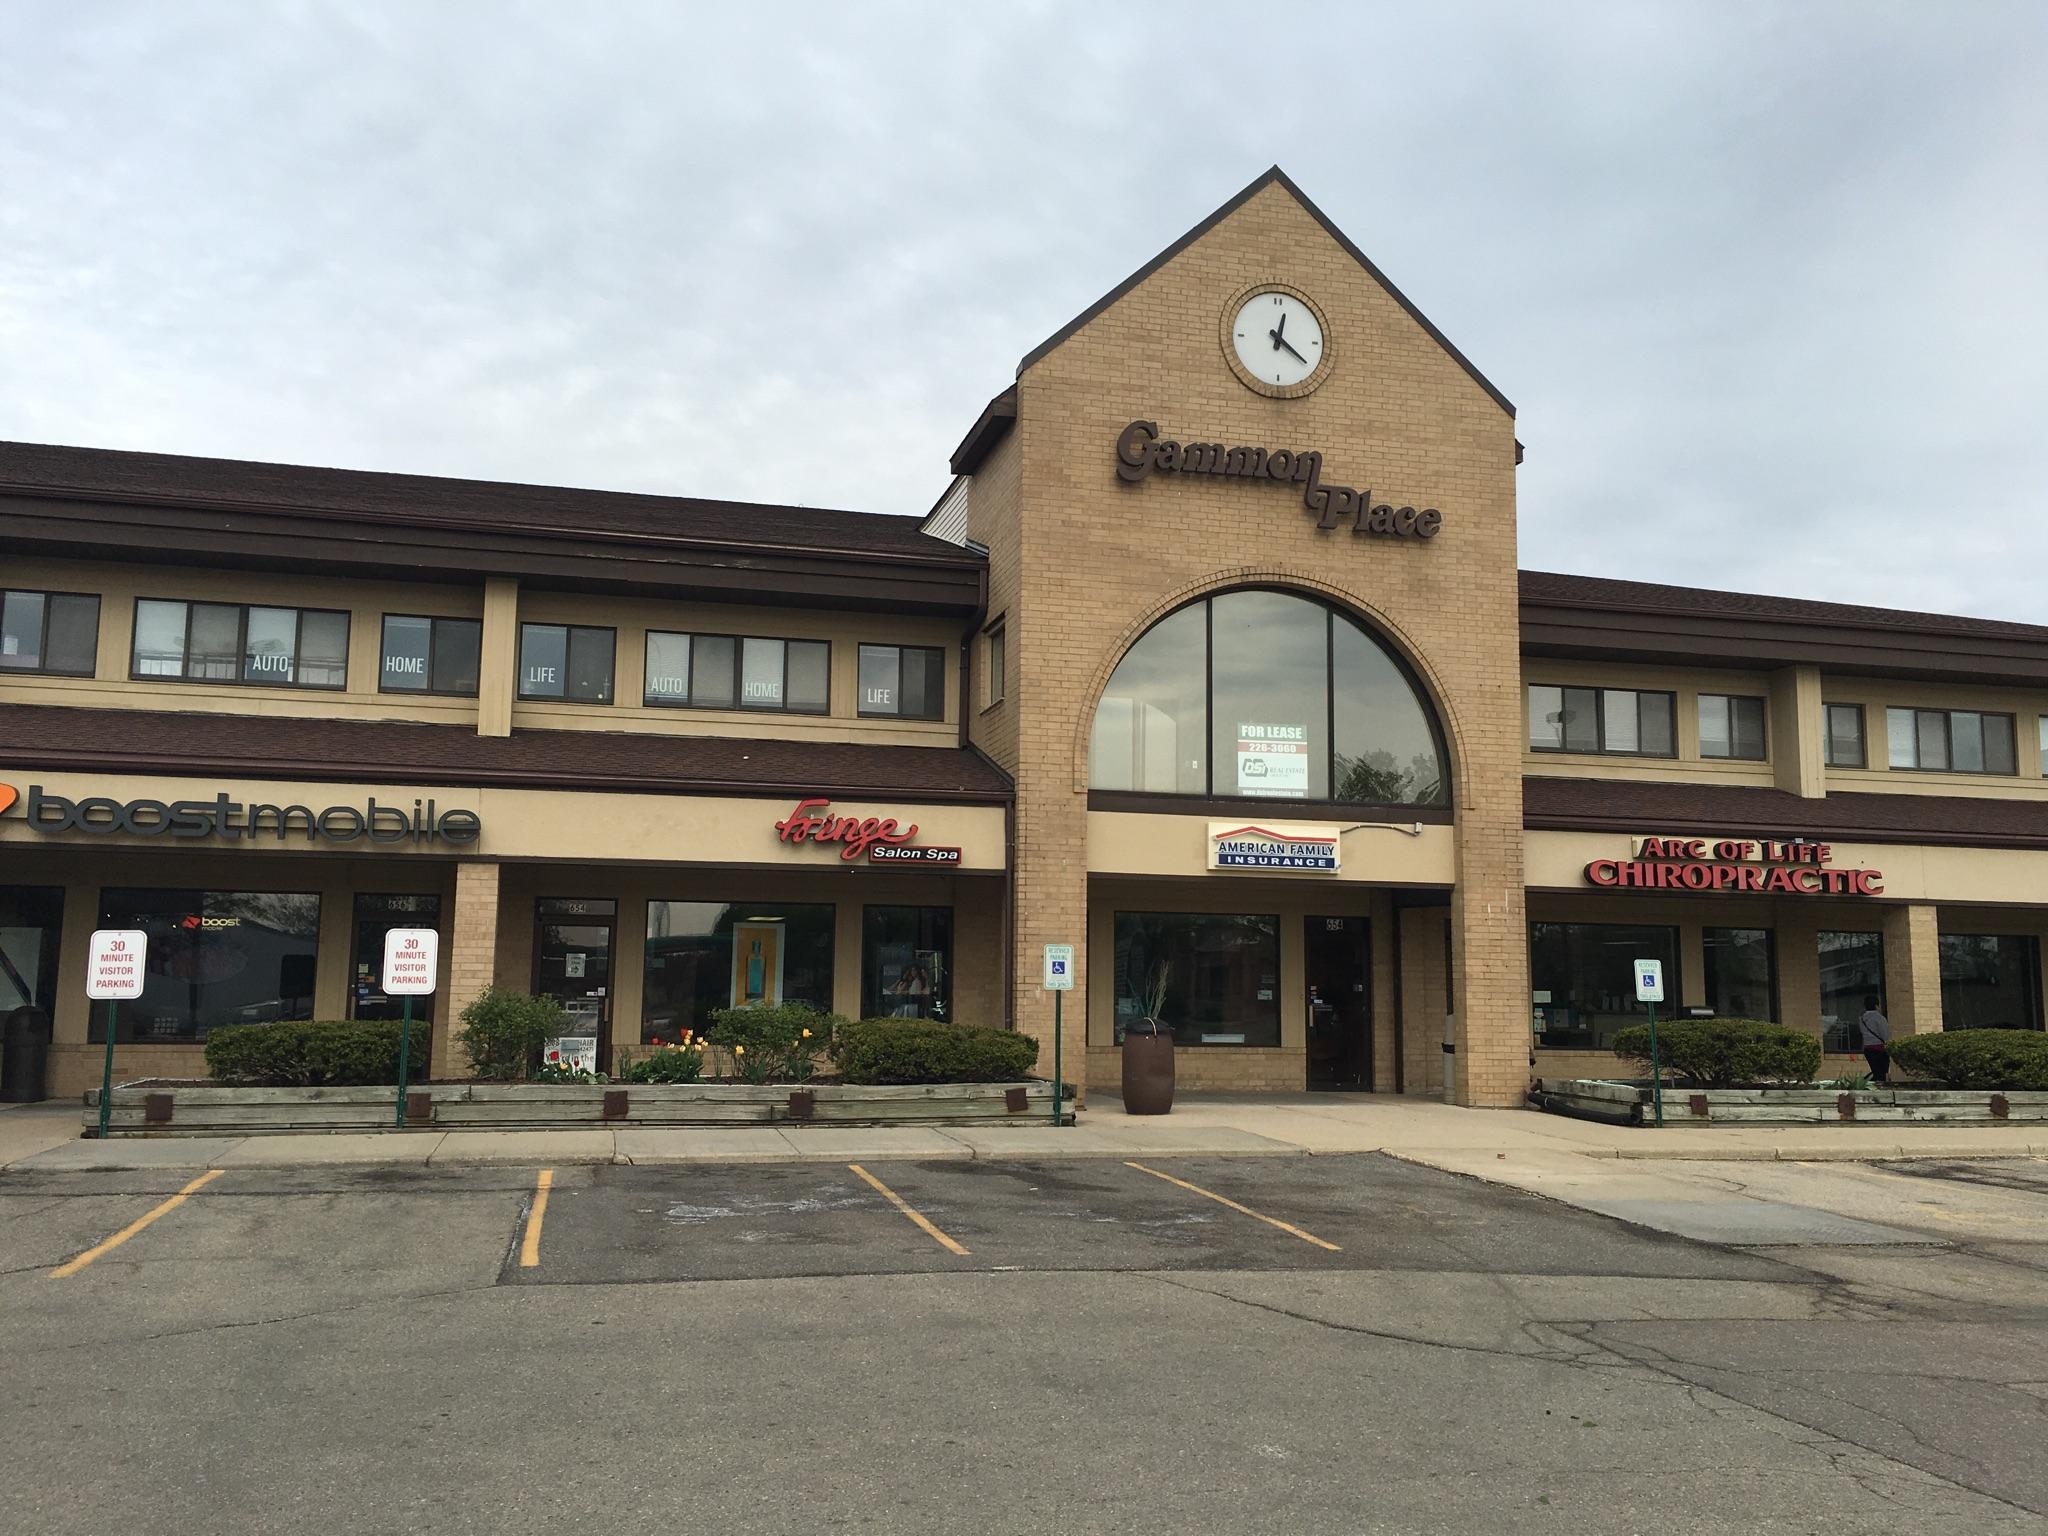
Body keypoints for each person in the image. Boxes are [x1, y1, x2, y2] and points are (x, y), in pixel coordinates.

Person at [1858, 993, 1891, 1084]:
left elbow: (1862, 1032)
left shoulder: (1862, 1019)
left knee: (1876, 1071)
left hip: (1868, 1048)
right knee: (1882, 1073)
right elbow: (1885, 1034)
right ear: (1877, 1005)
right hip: (1880, 1048)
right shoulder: (1880, 1018)